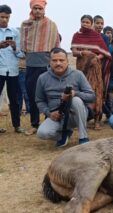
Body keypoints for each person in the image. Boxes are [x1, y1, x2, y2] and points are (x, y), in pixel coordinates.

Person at [36, 48, 95, 147]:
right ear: (49, 62)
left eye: (61, 60)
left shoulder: (78, 75)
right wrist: (49, 113)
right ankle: (64, 134)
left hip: (76, 114)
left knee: (76, 100)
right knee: (42, 133)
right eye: (54, 60)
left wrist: (75, 93)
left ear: (67, 61)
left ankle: (83, 137)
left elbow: (92, 96)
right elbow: (39, 100)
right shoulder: (42, 78)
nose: (58, 63)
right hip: (57, 116)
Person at [20, 0, 60, 136]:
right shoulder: (25, 25)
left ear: (44, 9)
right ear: (31, 9)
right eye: (35, 8)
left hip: (46, 66)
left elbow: (56, 46)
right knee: (32, 95)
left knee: (48, 94)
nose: (37, 11)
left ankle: (49, 121)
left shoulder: (51, 25)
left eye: (40, 8)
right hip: (31, 66)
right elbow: (23, 48)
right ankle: (34, 124)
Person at [71, 14, 111, 129]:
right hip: (82, 67)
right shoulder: (76, 35)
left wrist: (95, 58)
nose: (85, 24)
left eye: (87, 22)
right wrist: (83, 53)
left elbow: (104, 53)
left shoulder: (96, 36)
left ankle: (97, 120)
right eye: (83, 22)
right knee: (82, 90)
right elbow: (74, 52)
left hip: (94, 67)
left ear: (91, 24)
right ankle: (82, 118)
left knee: (96, 91)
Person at [0, 4, 25, 133]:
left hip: (13, 71)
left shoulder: (15, 32)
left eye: (7, 17)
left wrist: (15, 47)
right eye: (2, 17)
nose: (4, 20)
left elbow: (22, 54)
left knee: (14, 99)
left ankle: (17, 125)